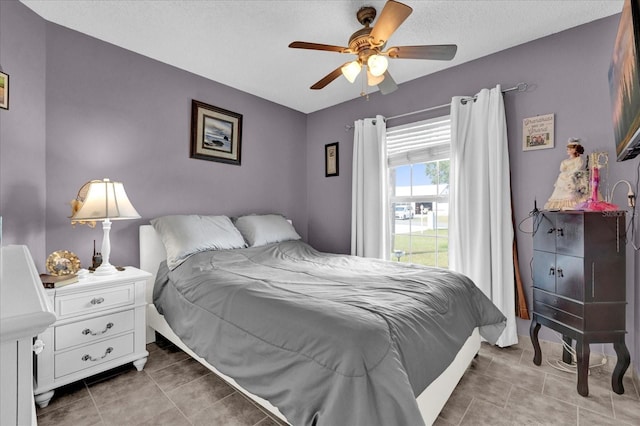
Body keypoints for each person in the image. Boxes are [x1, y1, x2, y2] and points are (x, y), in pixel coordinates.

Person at [544, 138, 590, 210]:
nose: (568, 150)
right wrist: (566, 173)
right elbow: (562, 169)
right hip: (565, 178)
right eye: (568, 149)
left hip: (573, 177)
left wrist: (569, 174)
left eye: (570, 149)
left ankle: (572, 203)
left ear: (575, 150)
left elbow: (577, 169)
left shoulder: (578, 159)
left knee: (572, 184)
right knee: (562, 178)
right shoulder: (565, 161)